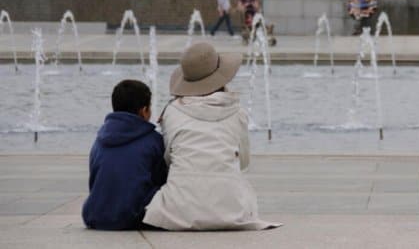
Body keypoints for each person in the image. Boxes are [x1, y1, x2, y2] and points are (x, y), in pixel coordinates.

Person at [143, 43, 281, 231]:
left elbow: (168, 159)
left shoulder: (171, 112)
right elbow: (243, 162)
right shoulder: (238, 112)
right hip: (232, 208)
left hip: (180, 209)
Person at [82, 80, 167, 230]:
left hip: (95, 215)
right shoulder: (153, 140)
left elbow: (94, 180)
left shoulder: (100, 140)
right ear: (144, 110)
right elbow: (161, 179)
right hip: (134, 216)